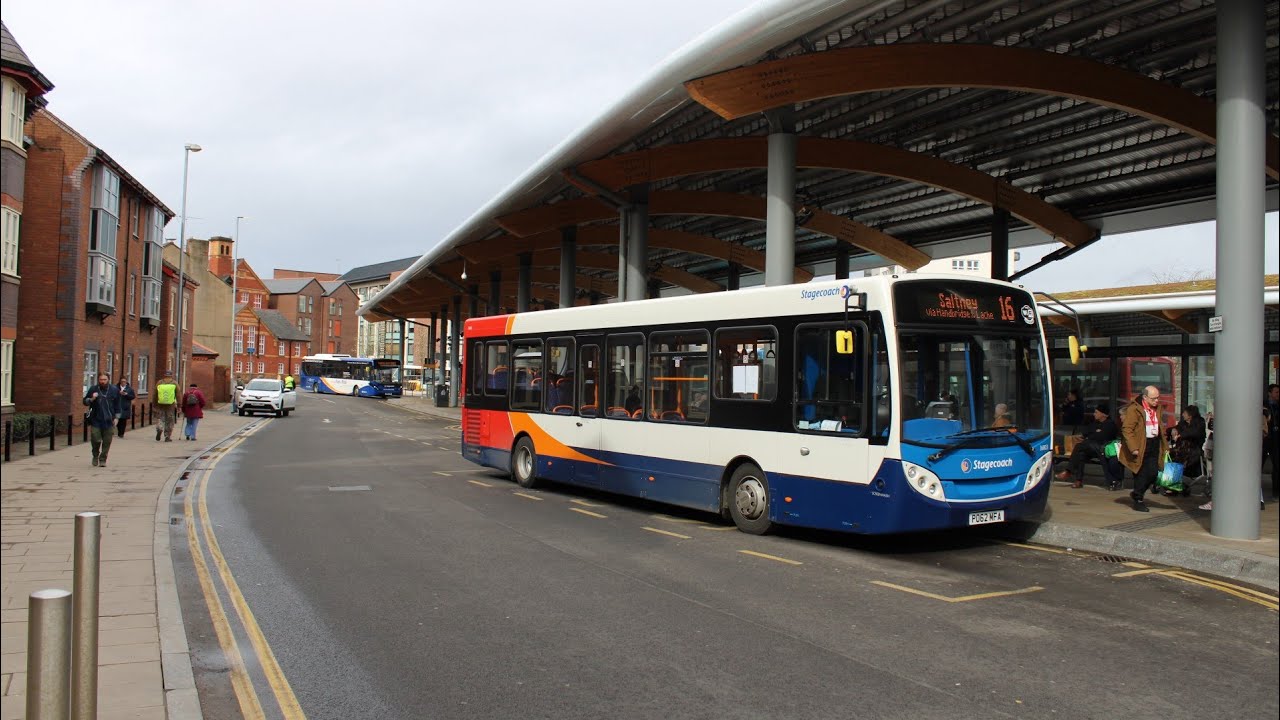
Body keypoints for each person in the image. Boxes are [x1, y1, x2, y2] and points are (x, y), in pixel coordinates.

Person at [1119, 385, 1168, 512]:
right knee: (1140, 473)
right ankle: (1138, 500)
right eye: (1153, 398)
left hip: (1154, 443)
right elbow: (1127, 429)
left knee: (1153, 473)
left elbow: (1160, 426)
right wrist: (1133, 448)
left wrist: (1165, 444)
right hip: (1140, 444)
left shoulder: (1157, 408)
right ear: (1145, 397)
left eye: (1158, 398)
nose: (1156, 401)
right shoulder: (1134, 409)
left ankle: (1137, 493)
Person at [1055, 403, 1118, 489]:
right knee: (1081, 454)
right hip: (1091, 448)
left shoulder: (1110, 424)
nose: (1094, 414)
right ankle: (1078, 480)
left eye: (1096, 412)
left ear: (1103, 414)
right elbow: (1085, 433)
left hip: (1102, 449)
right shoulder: (1094, 423)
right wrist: (1087, 436)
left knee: (1079, 446)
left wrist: (1090, 437)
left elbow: (1101, 438)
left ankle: (1068, 471)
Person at [83, 373, 120, 467]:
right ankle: (95, 455)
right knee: (95, 439)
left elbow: (117, 405)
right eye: (101, 379)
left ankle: (103, 459)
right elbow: (85, 401)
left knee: (107, 441)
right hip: (96, 419)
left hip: (109, 420)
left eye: (104, 379)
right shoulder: (93, 389)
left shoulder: (114, 390)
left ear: (108, 380)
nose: (102, 381)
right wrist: (92, 398)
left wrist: (117, 417)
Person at [154, 372, 179, 442]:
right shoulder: (174, 383)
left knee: (161, 418)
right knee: (170, 420)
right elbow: (178, 395)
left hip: (160, 404)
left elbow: (155, 394)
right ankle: (167, 436)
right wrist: (179, 405)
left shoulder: (159, 382)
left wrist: (154, 404)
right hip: (170, 405)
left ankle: (159, 428)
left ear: (164, 375)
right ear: (171, 375)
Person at [1266, 384, 1280, 502]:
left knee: (1277, 466)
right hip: (1265, 439)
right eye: (1276, 392)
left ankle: (1276, 492)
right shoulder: (1264, 406)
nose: (1278, 394)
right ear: (1269, 393)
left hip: (1276, 440)